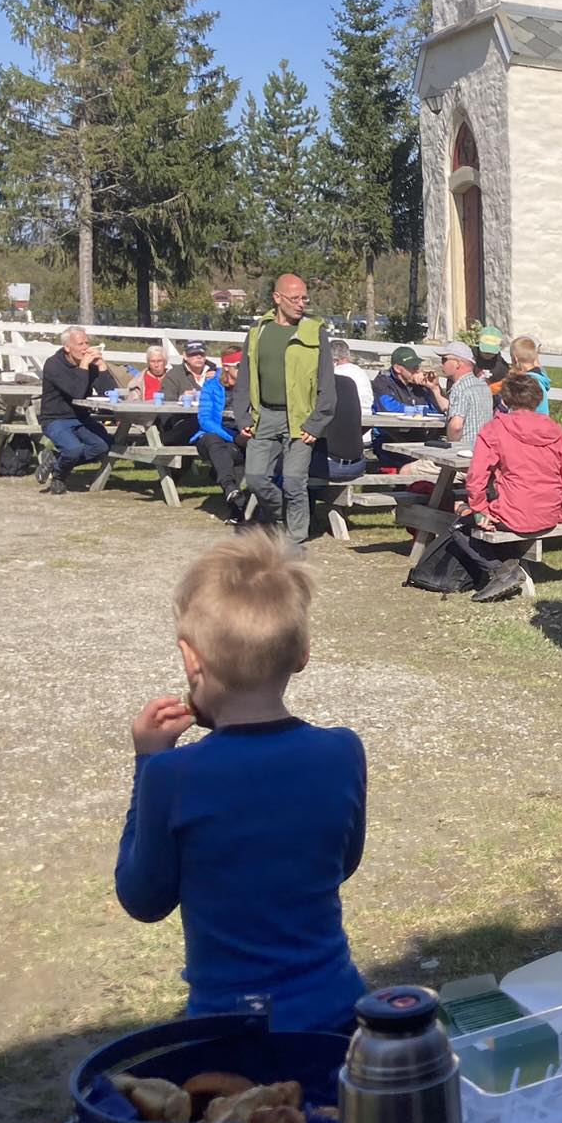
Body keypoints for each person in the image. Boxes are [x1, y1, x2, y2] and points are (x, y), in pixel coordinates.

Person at [115, 533, 366, 1033]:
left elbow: (143, 900)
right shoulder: (342, 750)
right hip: (339, 1014)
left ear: (191, 659)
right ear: (302, 653)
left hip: (231, 1029)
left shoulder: (173, 775)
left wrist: (147, 762)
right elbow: (343, 863)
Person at [452, 373, 562, 602]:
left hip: (514, 512)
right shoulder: (555, 431)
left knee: (459, 525)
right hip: (550, 512)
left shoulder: (495, 429)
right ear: (537, 399)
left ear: (506, 399)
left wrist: (480, 509)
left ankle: (502, 572)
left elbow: (476, 477)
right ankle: (510, 567)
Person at [230, 274, 334, 552]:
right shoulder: (258, 332)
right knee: (254, 477)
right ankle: (280, 518)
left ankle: (295, 540)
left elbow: (326, 382)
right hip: (264, 417)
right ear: (277, 298)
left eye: (304, 298)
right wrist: (242, 417)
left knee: (293, 481)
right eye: (295, 298)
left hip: (301, 420)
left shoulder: (315, 331)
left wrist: (317, 422)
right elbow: (244, 379)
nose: (301, 304)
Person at [35, 324, 116, 495]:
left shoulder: (90, 365)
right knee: (73, 449)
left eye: (87, 343)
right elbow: (76, 393)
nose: (86, 348)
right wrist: (84, 366)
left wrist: (102, 367)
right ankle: (60, 475)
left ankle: (57, 463)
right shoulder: (53, 365)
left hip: (81, 417)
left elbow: (110, 394)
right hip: (55, 418)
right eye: (80, 344)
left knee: (103, 446)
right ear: (67, 347)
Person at [194, 347, 247, 515]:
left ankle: (233, 497)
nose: (244, 369)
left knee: (228, 455)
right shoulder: (212, 385)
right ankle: (230, 487)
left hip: (240, 438)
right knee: (213, 440)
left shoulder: (250, 386)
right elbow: (205, 420)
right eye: (239, 365)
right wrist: (233, 437)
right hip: (214, 437)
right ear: (226, 367)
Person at [370, 344, 438, 467]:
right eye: (413, 367)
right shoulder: (382, 382)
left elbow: (437, 411)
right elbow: (389, 409)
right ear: (398, 368)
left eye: (418, 366)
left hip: (417, 437)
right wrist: (418, 411)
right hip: (388, 438)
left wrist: (432, 387)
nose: (417, 370)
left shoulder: (420, 386)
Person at [439, 342, 494, 448]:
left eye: (444, 360)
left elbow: (456, 426)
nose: (441, 364)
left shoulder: (460, 388)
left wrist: (450, 445)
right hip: (484, 451)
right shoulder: (484, 386)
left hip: (463, 453)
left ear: (457, 364)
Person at [503, 335, 552, 414]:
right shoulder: (541, 377)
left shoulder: (526, 383)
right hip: (542, 421)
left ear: (515, 359)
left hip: (529, 423)